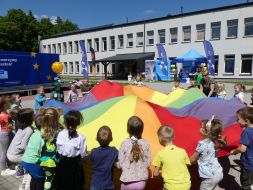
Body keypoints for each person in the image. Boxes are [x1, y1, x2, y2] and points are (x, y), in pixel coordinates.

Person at [190, 117, 227, 190]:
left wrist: (185, 163)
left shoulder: (202, 144)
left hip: (209, 177)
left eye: (201, 127)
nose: (199, 128)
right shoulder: (213, 141)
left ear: (206, 132)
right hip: (218, 172)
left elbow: (193, 158)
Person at [152, 126, 191, 190]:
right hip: (186, 186)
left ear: (160, 139)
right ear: (174, 137)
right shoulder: (182, 151)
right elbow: (187, 165)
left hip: (170, 187)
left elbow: (155, 174)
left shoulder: (160, 154)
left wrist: (160, 175)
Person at [56, 110, 86, 190]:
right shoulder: (62, 134)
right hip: (68, 165)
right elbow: (83, 154)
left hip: (69, 165)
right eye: (69, 124)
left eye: (72, 124)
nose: (70, 127)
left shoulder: (80, 137)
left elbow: (83, 154)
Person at [118, 116, 151, 190]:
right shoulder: (146, 144)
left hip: (127, 181)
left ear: (128, 130)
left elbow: (121, 164)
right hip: (141, 182)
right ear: (142, 130)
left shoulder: (124, 143)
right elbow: (148, 164)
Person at [7, 108, 34, 178]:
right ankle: (22, 172)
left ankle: (19, 171)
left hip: (10, 153)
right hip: (14, 156)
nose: (34, 116)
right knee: (33, 159)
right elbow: (23, 146)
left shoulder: (20, 127)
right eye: (33, 115)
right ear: (29, 119)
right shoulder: (29, 130)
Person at [230, 107, 253, 190]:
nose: (237, 121)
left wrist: (234, 151)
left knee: (246, 184)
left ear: (246, 120)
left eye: (238, 119)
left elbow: (243, 149)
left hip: (249, 164)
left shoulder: (247, 131)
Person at [89, 126, 118, 190]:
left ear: (97, 138)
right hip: (108, 185)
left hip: (95, 184)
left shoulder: (94, 151)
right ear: (111, 139)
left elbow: (91, 159)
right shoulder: (114, 151)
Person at [40, 107, 62, 190]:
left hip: (45, 158)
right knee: (55, 177)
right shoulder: (59, 130)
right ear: (56, 118)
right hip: (54, 158)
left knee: (48, 178)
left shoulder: (42, 129)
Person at [21, 115, 45, 190]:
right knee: (40, 179)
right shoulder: (42, 135)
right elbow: (42, 149)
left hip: (25, 161)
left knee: (34, 178)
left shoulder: (34, 133)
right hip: (33, 162)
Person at [0, 96, 16, 176]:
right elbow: (9, 126)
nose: (10, 103)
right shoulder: (4, 115)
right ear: (4, 105)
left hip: (6, 133)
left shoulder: (5, 113)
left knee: (6, 151)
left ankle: (9, 166)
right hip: (4, 134)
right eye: (8, 102)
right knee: (4, 152)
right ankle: (3, 169)